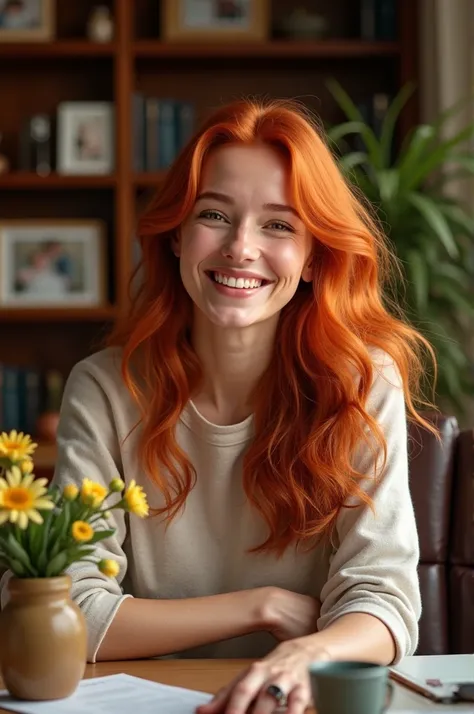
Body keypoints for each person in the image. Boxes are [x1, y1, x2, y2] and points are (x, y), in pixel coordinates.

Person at [16, 98, 435, 712]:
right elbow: (70, 607)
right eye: (215, 214)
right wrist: (260, 606)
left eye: (279, 225)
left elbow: (386, 603)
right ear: (177, 237)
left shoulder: (361, 385)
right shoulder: (106, 388)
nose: (241, 247)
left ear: (315, 256)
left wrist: (299, 657)